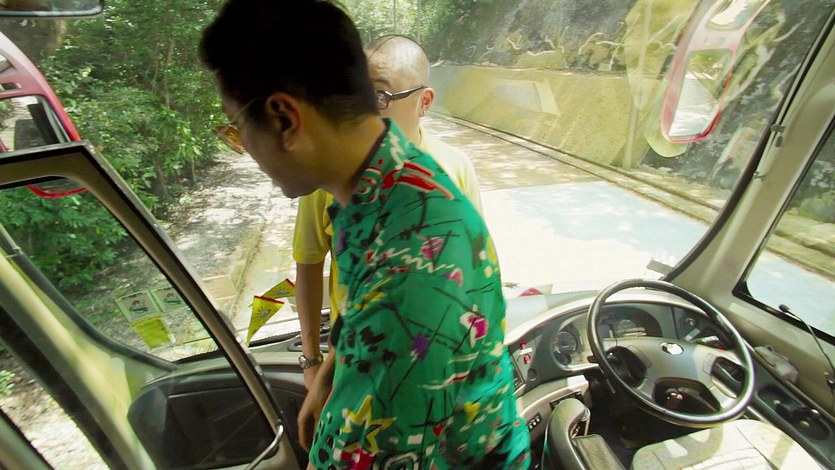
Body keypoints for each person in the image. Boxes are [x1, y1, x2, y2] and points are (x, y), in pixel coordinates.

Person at [200, 1, 530, 468]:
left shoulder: (412, 268)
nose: (244, 149)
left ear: (285, 119)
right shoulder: (378, 185)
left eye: (237, 130)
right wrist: (328, 372)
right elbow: (359, 307)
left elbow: (383, 455)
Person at [293, 34, 483, 390]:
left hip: (436, 365)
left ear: (424, 102)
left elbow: (473, 271)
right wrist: (312, 361)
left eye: (379, 96)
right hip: (354, 364)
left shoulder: (455, 171)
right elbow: (308, 264)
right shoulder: (326, 177)